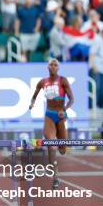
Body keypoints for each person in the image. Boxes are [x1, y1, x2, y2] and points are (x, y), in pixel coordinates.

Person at [29, 59, 75, 189]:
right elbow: (34, 95)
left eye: (56, 65)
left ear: (58, 68)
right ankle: (55, 177)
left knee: (62, 149)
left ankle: (62, 147)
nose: (53, 66)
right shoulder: (43, 82)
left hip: (60, 116)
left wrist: (64, 109)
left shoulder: (63, 80)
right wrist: (32, 103)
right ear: (47, 66)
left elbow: (72, 99)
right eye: (51, 64)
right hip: (49, 115)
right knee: (50, 144)